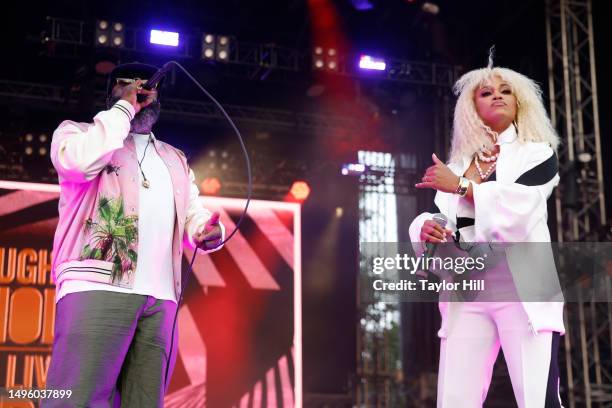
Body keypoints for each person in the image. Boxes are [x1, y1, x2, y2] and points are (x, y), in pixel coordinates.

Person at [43, 62, 224, 407]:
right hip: (97, 283)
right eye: (126, 85)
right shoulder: (77, 135)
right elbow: (79, 163)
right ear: (111, 94)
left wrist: (205, 229)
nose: (138, 90)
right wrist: (124, 108)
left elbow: (191, 211)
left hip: (161, 298)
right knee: (75, 399)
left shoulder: (175, 158)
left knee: (143, 401)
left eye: (146, 86)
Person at [409, 62, 564, 407]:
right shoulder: (455, 164)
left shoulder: (538, 154)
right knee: (454, 399)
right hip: (468, 291)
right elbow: (444, 220)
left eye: (506, 90)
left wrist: (463, 187)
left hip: (522, 291)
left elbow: (521, 213)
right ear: (472, 106)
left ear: (520, 101)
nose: (497, 96)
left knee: (537, 400)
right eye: (486, 92)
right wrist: (427, 228)